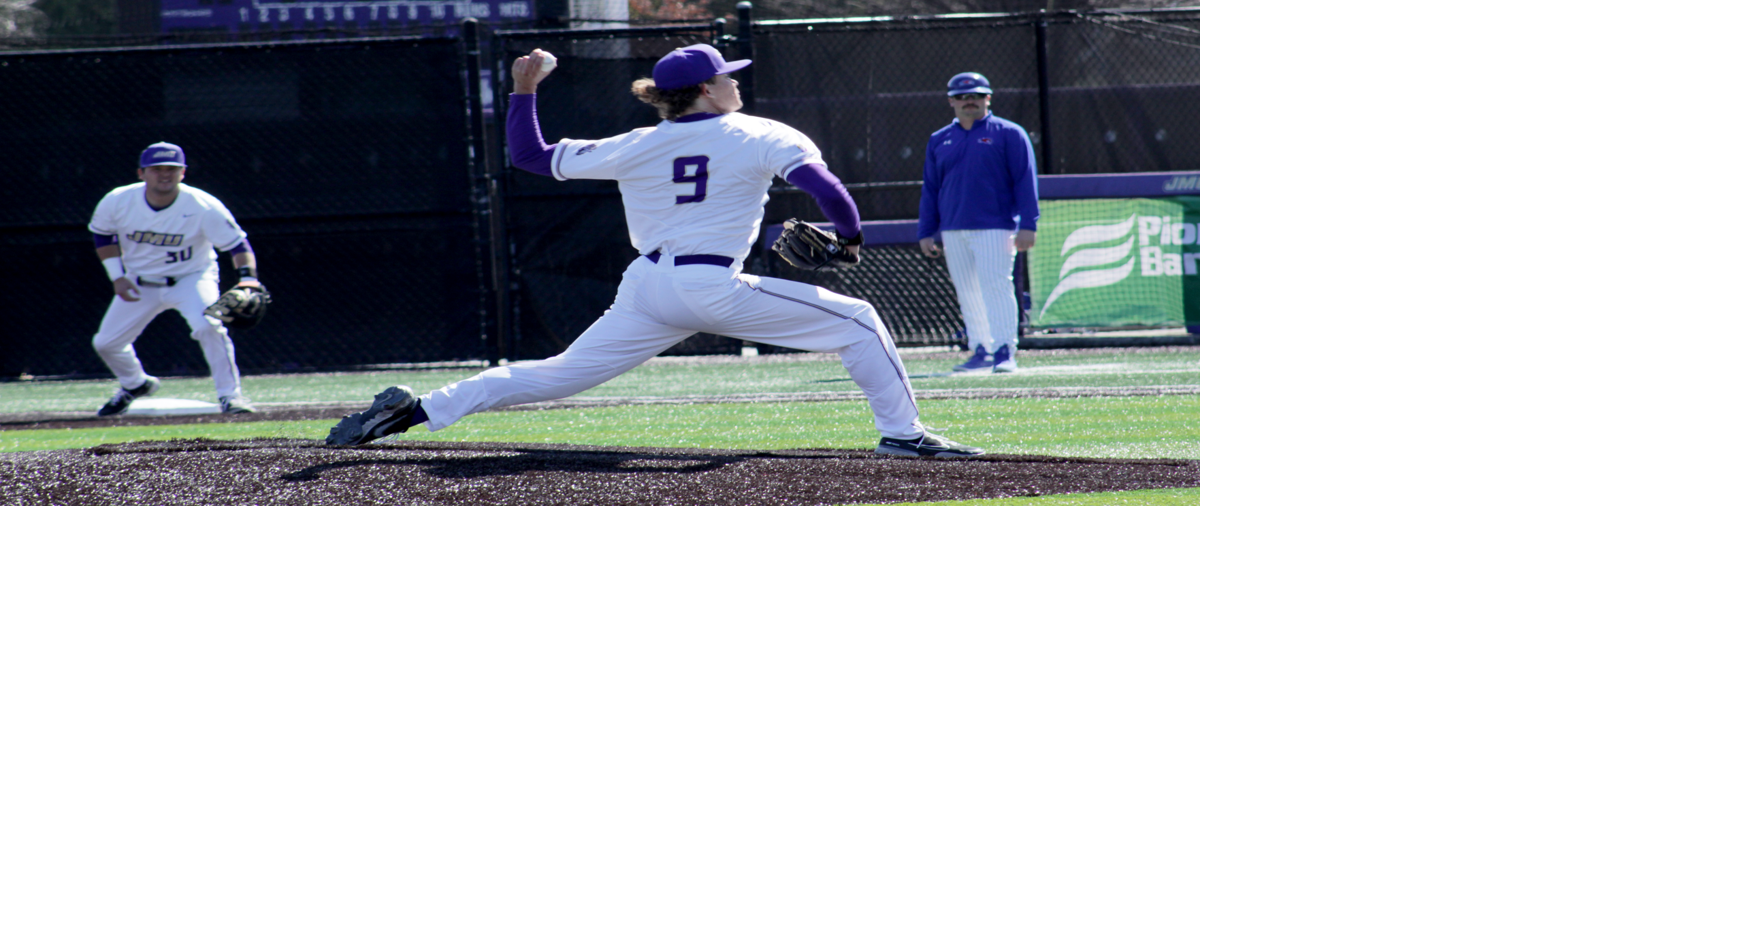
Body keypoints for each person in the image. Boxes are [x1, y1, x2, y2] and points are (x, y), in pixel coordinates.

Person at [327, 45, 982, 459]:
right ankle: (904, 435)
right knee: (860, 321)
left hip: (646, 287)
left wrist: (525, 87)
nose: (734, 85)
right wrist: (850, 237)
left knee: (558, 373)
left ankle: (417, 411)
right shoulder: (757, 131)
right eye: (726, 78)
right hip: (710, 285)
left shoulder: (637, 143)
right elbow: (826, 188)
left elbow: (528, 155)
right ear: (706, 89)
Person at [88, 142, 264, 416]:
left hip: (191, 278)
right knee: (105, 343)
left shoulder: (203, 205)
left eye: (172, 168)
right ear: (141, 173)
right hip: (139, 281)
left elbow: (237, 245)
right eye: (156, 169)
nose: (164, 174)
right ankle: (135, 384)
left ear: (183, 172)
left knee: (208, 326)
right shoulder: (117, 200)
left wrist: (248, 279)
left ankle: (231, 396)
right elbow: (103, 235)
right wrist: (117, 277)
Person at [917, 72, 1039, 375]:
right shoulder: (938, 139)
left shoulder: (1009, 133)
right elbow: (931, 188)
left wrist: (1029, 224)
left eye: (975, 95)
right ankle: (981, 349)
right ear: (951, 101)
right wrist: (926, 231)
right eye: (961, 97)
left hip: (996, 226)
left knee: (996, 286)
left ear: (988, 98)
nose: (968, 101)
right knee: (967, 291)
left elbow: (1025, 180)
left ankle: (1004, 350)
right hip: (953, 228)